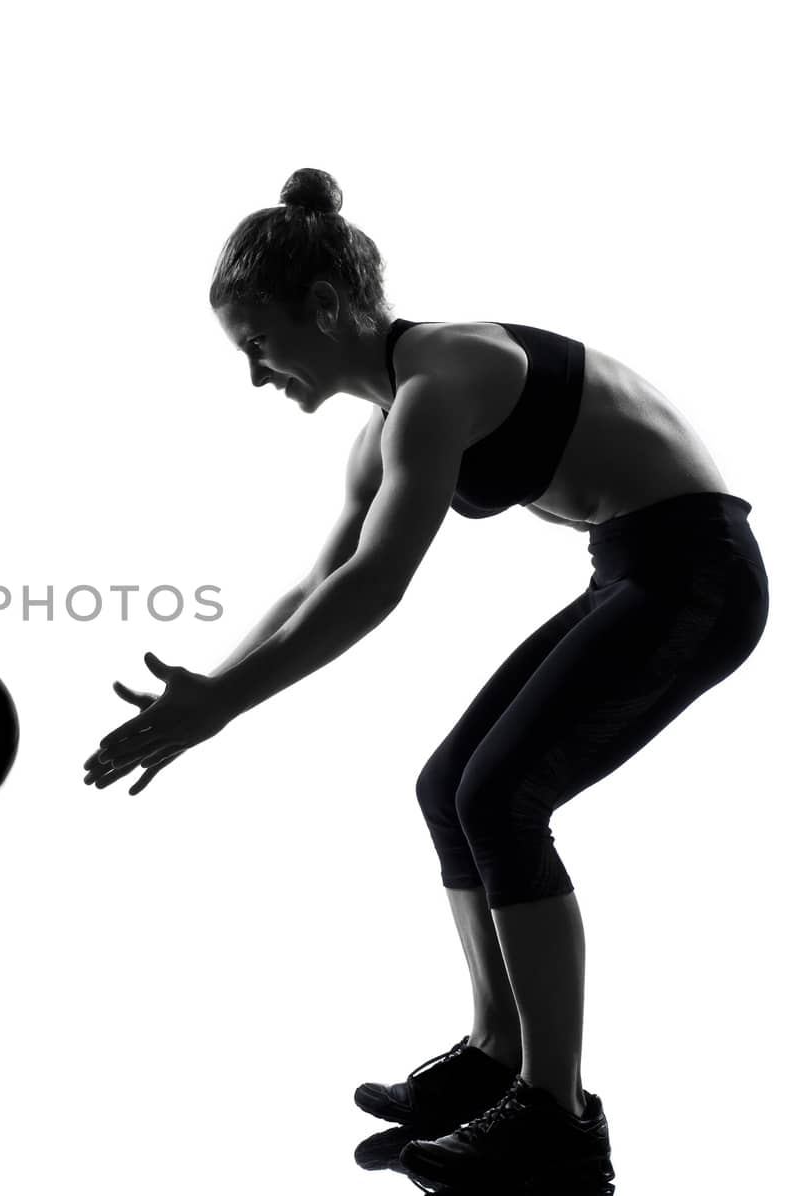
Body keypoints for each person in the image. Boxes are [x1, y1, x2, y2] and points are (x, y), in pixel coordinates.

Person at [82, 168, 768, 1191]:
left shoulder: (444, 381)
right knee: (449, 786)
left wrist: (222, 704)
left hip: (698, 572)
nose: (257, 377)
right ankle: (497, 1056)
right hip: (635, 566)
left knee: (502, 796)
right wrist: (207, 695)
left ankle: (557, 1112)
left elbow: (371, 587)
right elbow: (317, 578)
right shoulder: (388, 423)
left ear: (322, 308)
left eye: (258, 346)